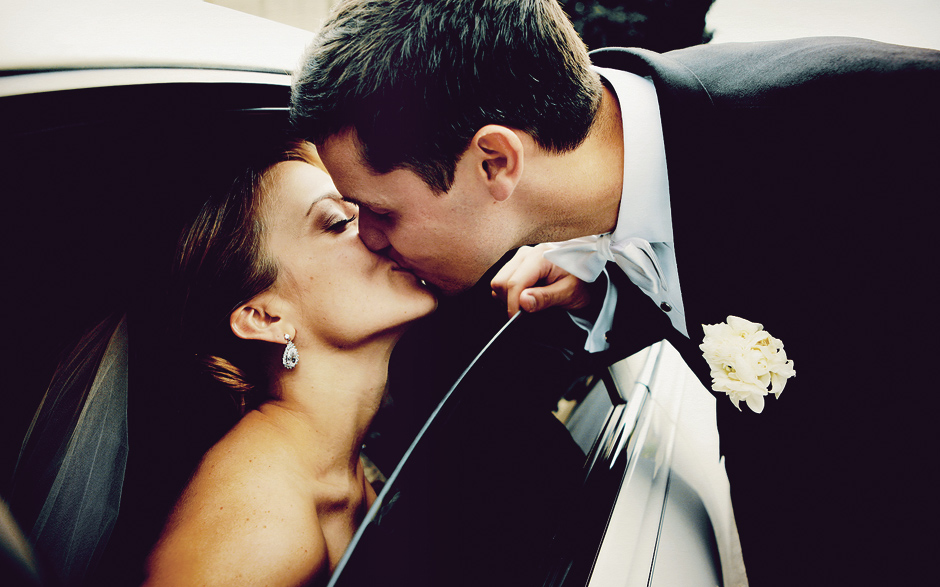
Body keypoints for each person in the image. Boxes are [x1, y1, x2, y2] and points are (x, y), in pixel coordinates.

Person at [290, 1, 940, 585]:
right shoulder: (629, 162)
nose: (367, 237)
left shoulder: (878, 119)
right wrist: (612, 296)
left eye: (378, 210)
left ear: (496, 161)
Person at [142, 140, 437, 586]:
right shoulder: (256, 528)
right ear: (264, 317)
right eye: (338, 222)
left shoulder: (345, 469)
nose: (378, 229)